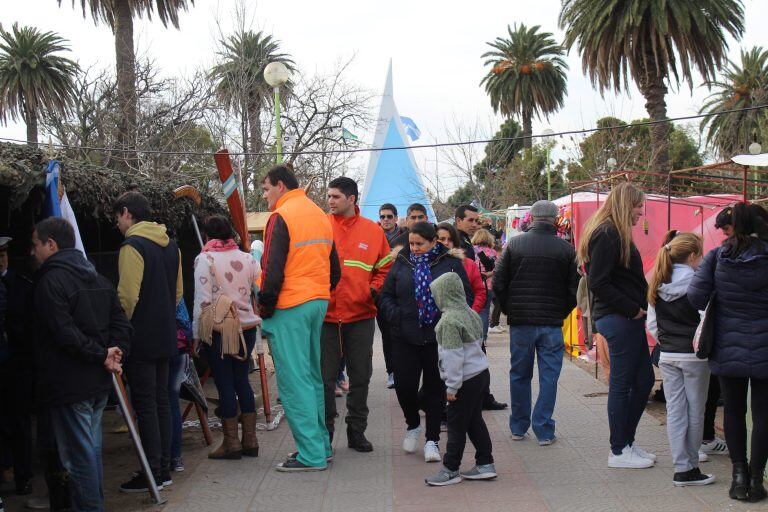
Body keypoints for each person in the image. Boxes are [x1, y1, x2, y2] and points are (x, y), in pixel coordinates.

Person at [31, 217, 131, 511]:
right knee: (89, 452)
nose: (32, 251)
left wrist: (106, 354)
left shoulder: (50, 281)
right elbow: (121, 325)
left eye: (35, 244)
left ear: (51, 244)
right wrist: (112, 353)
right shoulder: (96, 277)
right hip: (96, 382)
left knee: (79, 458)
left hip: (71, 385)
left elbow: (64, 333)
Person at [258, 163, 341, 472]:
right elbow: (335, 269)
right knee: (312, 378)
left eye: (266, 188)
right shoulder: (320, 214)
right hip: (316, 301)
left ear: (280, 185)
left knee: (294, 383)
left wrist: (265, 307)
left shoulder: (281, 216)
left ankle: (311, 455)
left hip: (289, 305)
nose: (265, 194)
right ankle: (321, 447)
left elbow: (271, 269)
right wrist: (319, 292)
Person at [688, 202, 768, 503]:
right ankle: (757, 479)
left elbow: (695, 297)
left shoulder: (717, 257)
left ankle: (738, 477)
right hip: (765, 346)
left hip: (727, 344)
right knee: (763, 415)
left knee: (733, 410)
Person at [379, 222, 472, 463]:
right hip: (405, 335)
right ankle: (412, 424)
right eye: (411, 243)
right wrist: (395, 315)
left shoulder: (449, 263)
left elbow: (465, 294)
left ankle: (433, 440)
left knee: (434, 389)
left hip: (438, 336)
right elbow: (386, 295)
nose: (415, 248)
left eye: (420, 244)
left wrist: (452, 318)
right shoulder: (402, 262)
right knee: (404, 385)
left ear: (433, 242)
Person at [576, 182, 655, 469]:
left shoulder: (613, 233)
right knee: (623, 383)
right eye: (637, 206)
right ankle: (619, 450)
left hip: (625, 318)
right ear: (625, 205)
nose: (640, 212)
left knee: (643, 381)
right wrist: (631, 308)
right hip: (619, 319)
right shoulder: (608, 234)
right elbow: (599, 282)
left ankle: (626, 443)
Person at [494, 200, 579, 446]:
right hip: (551, 323)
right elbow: (574, 288)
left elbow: (499, 281)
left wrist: (510, 308)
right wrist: (561, 311)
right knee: (549, 376)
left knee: (519, 374)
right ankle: (544, 428)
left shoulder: (514, 245)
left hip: (521, 322)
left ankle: (518, 426)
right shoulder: (566, 249)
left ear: (531, 218)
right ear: (554, 219)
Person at [113, 191, 183, 492]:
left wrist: (119, 329)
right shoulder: (172, 246)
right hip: (167, 334)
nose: (117, 224)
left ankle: (153, 472)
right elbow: (179, 292)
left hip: (141, 336)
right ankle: (165, 468)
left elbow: (127, 297)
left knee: (146, 405)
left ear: (127, 213)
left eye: (117, 218)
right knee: (163, 401)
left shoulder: (132, 246)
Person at [322, 177, 392, 452]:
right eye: (329, 196)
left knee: (360, 377)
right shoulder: (322, 226)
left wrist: (371, 291)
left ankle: (356, 431)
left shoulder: (373, 232)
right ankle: (325, 433)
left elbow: (385, 269)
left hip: (360, 316)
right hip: (326, 317)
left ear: (352, 199)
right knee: (325, 379)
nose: (330, 201)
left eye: (336, 197)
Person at [646, 230, 715, 487]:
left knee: (675, 411)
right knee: (695, 411)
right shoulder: (699, 283)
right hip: (694, 356)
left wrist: (666, 342)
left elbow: (652, 324)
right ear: (694, 255)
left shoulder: (658, 282)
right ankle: (690, 467)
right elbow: (705, 320)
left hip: (668, 354)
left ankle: (680, 466)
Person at [193, 215, 261, 460]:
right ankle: (251, 440)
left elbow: (202, 302)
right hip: (248, 329)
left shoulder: (204, 259)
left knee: (225, 384)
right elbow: (257, 284)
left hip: (220, 330)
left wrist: (196, 335)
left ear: (208, 235)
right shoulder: (247, 258)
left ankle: (231, 443)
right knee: (242, 380)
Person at [425, 272, 496, 486]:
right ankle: (485, 463)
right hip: (481, 374)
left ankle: (451, 469)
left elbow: (453, 357)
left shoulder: (448, 322)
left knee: (456, 425)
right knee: (475, 421)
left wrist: (452, 387)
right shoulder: (470, 313)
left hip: (464, 380)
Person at [377, 204, 405, 389]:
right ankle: (391, 372)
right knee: (387, 335)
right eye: (382, 216)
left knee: (402, 333)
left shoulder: (405, 237)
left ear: (396, 218)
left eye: (389, 216)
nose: (385, 219)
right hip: (380, 292)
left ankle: (404, 369)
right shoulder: (373, 235)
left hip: (401, 291)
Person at [436, 223, 485, 314]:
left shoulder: (469, 264)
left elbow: (479, 292)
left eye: (450, 240)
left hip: (464, 317)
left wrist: (472, 312)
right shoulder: (427, 263)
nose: (446, 243)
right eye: (442, 239)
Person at [169, 299, 191, 472]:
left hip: (152, 346)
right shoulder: (171, 276)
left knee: (150, 406)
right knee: (172, 402)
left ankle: (158, 462)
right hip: (178, 345)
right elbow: (184, 319)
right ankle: (175, 458)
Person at [472, 228, 498, 339]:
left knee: (474, 311)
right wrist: (487, 274)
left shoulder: (472, 251)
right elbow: (497, 269)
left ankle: (474, 335)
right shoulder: (493, 252)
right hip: (489, 286)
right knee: (485, 312)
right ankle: (483, 337)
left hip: (474, 285)